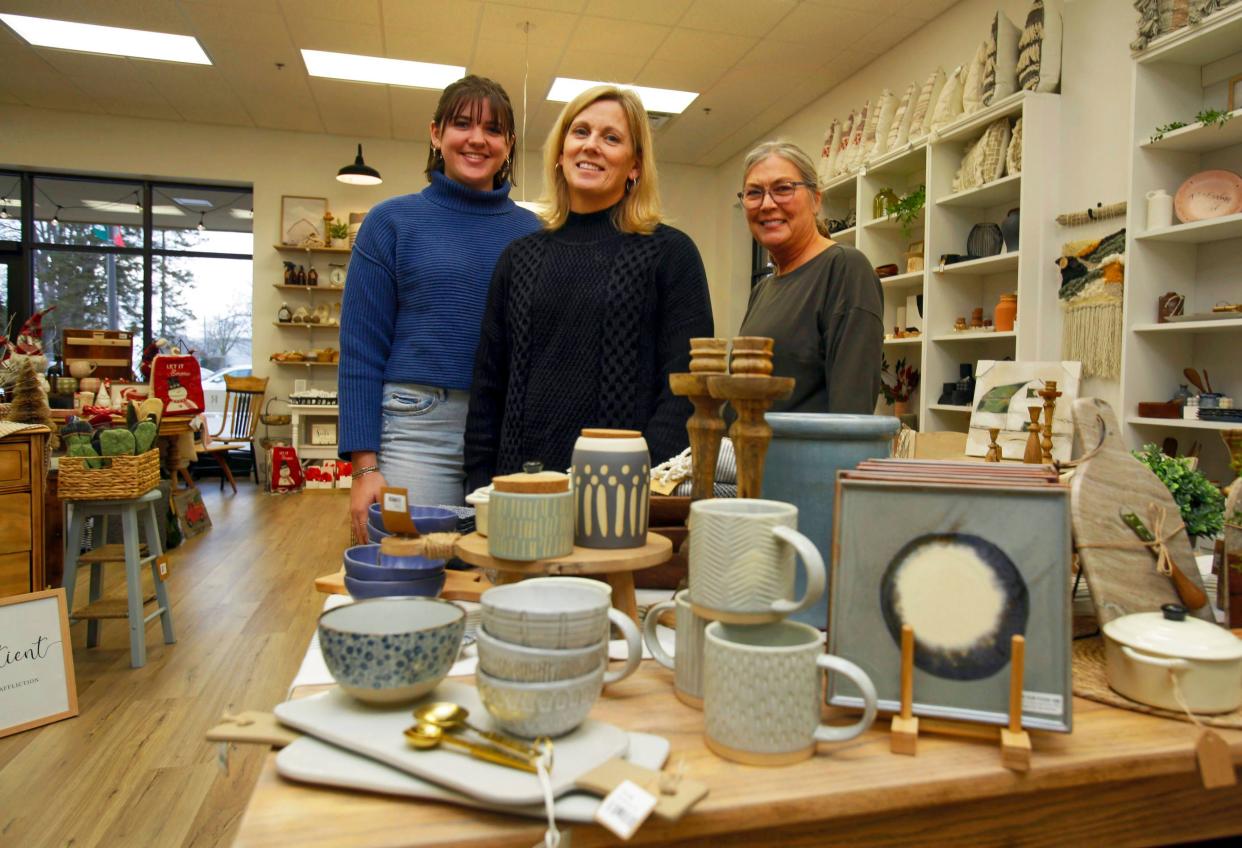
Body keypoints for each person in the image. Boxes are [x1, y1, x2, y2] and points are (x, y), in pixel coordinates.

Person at [464, 85, 713, 492]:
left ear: (635, 165)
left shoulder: (670, 254)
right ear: (560, 154)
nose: (591, 146)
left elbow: (685, 388)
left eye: (611, 138)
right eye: (580, 132)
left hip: (622, 495)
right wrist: (478, 486)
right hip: (520, 491)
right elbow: (489, 387)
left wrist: (641, 482)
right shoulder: (518, 258)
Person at [339, 75, 541, 544]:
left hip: (505, 431)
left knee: (501, 573)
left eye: (493, 129)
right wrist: (364, 468)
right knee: (409, 563)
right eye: (463, 124)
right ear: (436, 134)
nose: (477, 138)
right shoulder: (390, 222)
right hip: (415, 429)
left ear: (509, 144)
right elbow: (360, 352)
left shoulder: (534, 235)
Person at [736, 141, 883, 414]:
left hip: (807, 457)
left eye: (783, 189)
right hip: (749, 455)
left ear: (816, 199)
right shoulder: (764, 289)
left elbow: (852, 413)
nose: (767, 204)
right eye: (754, 193)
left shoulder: (845, 269)